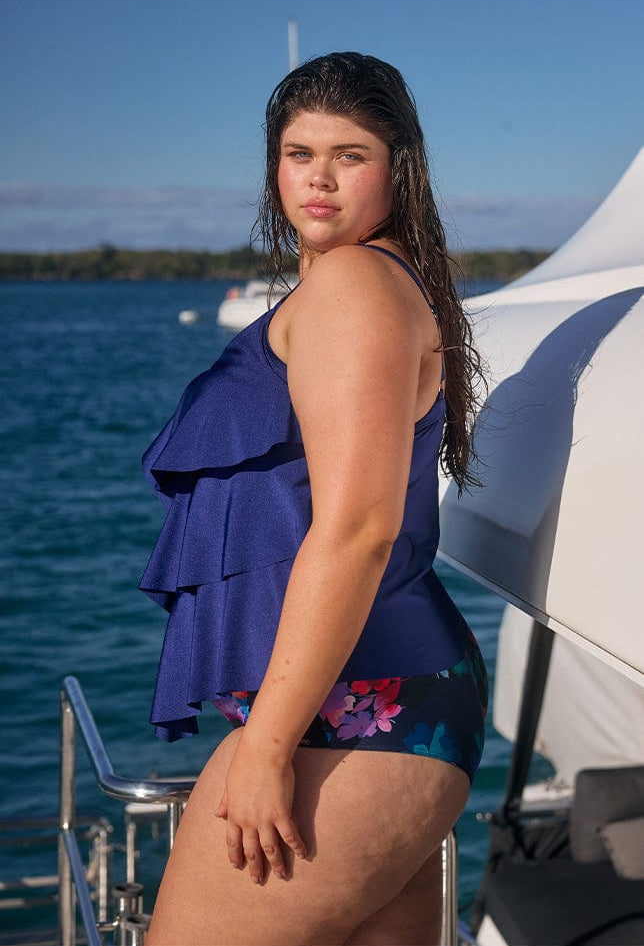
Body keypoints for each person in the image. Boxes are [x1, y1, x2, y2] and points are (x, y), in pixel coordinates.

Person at [141, 52, 487, 946]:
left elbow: (361, 529)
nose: (319, 179)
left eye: (350, 154)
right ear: (273, 165)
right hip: (369, 706)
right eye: (299, 154)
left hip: (360, 712)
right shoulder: (363, 282)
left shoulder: (357, 286)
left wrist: (263, 747)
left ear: (398, 168)